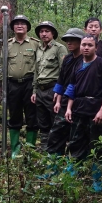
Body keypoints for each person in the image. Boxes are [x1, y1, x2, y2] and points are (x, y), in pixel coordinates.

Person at [63, 34, 102, 192]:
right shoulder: (77, 65)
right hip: (79, 108)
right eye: (84, 45)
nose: (86, 47)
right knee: (76, 141)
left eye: (90, 45)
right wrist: (68, 108)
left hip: (96, 108)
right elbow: (72, 87)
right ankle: (73, 175)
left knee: (97, 144)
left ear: (96, 48)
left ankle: (97, 179)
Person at [46, 28, 85, 156]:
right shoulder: (67, 59)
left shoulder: (85, 60)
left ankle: (73, 167)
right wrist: (57, 100)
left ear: (80, 41)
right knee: (55, 134)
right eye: (67, 40)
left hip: (79, 103)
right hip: (63, 102)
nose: (69, 42)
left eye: (72, 40)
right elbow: (61, 79)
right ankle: (53, 166)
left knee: (76, 136)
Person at [6, 15, 40, 158]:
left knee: (32, 115)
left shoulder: (35, 44)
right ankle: (15, 149)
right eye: (17, 24)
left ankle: (30, 149)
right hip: (12, 84)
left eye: (23, 24)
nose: (20, 26)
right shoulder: (7, 44)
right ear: (13, 27)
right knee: (14, 115)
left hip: (29, 83)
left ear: (27, 27)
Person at [31, 21, 68, 151]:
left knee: (56, 122)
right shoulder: (39, 49)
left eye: (47, 31)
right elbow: (36, 71)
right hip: (40, 90)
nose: (44, 34)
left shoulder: (59, 48)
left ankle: (56, 152)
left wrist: (60, 92)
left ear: (53, 33)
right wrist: (34, 91)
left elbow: (64, 71)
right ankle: (44, 150)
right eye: (41, 31)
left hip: (53, 90)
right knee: (43, 123)